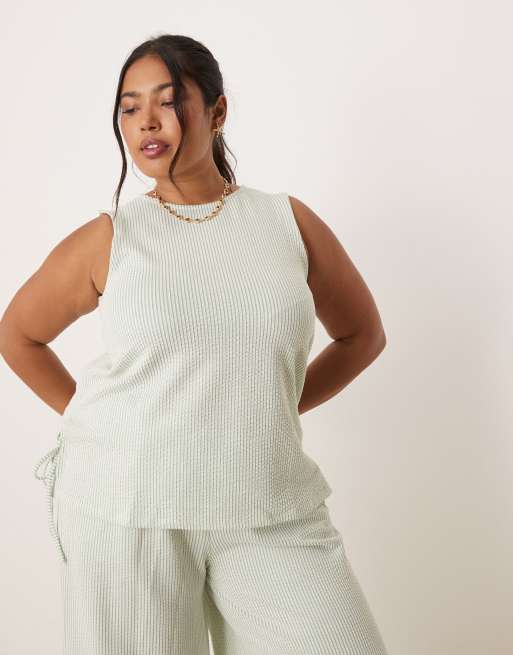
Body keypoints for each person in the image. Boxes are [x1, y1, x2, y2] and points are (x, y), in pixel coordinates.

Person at [0, 34, 389, 655]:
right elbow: (18, 333)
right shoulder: (113, 238)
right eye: (130, 107)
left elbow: (361, 335)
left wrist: (268, 403)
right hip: (126, 511)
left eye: (167, 100)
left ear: (218, 110)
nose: (146, 122)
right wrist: (100, 424)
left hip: (268, 505)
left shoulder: (285, 223)